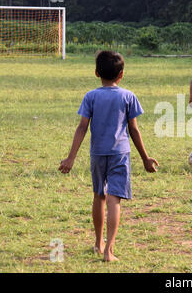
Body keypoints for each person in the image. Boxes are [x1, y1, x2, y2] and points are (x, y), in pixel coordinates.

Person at [58, 51, 159, 262]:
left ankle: (98, 243)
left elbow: (82, 127)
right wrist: (145, 158)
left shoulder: (91, 96)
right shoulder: (128, 96)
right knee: (115, 200)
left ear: (96, 73)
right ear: (121, 75)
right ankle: (109, 251)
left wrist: (70, 158)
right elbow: (134, 130)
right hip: (120, 154)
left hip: (97, 154)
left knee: (99, 196)